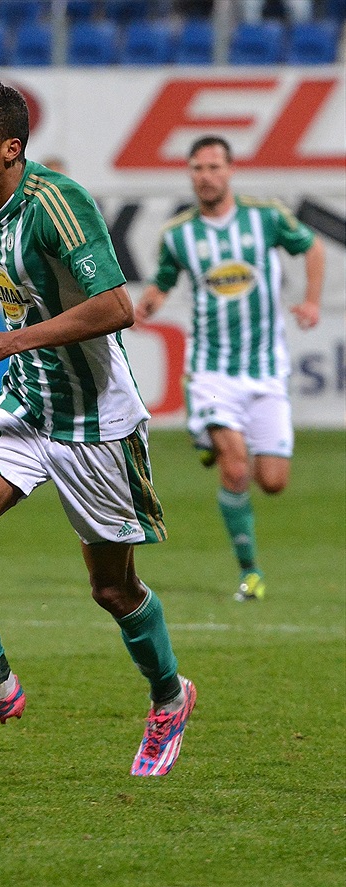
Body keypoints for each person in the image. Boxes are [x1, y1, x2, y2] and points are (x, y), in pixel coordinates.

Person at [0, 82, 196, 777]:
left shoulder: (57, 204)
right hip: (28, 404)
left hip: (94, 423)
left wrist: (10, 342)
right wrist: (19, 352)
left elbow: (116, 307)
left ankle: (169, 698)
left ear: (11, 148)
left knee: (113, 591)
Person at [135, 135, 324, 602]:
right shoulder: (179, 234)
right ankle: (250, 572)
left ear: (230, 170)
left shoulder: (266, 218)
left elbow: (313, 247)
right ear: (190, 174)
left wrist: (312, 301)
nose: (206, 176)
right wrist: (145, 307)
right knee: (236, 469)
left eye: (214, 167)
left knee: (272, 482)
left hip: (266, 371)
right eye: (198, 168)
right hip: (212, 372)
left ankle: (206, 437)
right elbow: (162, 281)